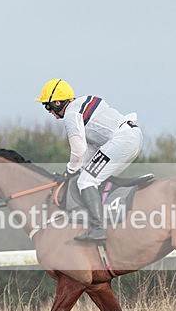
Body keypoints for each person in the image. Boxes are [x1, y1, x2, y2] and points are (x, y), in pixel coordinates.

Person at [36, 78, 143, 242]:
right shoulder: (84, 102)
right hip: (132, 137)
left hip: (121, 141)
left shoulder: (71, 114)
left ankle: (99, 228)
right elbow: (91, 150)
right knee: (90, 176)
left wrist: (69, 171)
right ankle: (108, 215)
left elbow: (78, 149)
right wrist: (76, 171)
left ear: (57, 103)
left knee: (86, 181)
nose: (49, 111)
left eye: (48, 106)